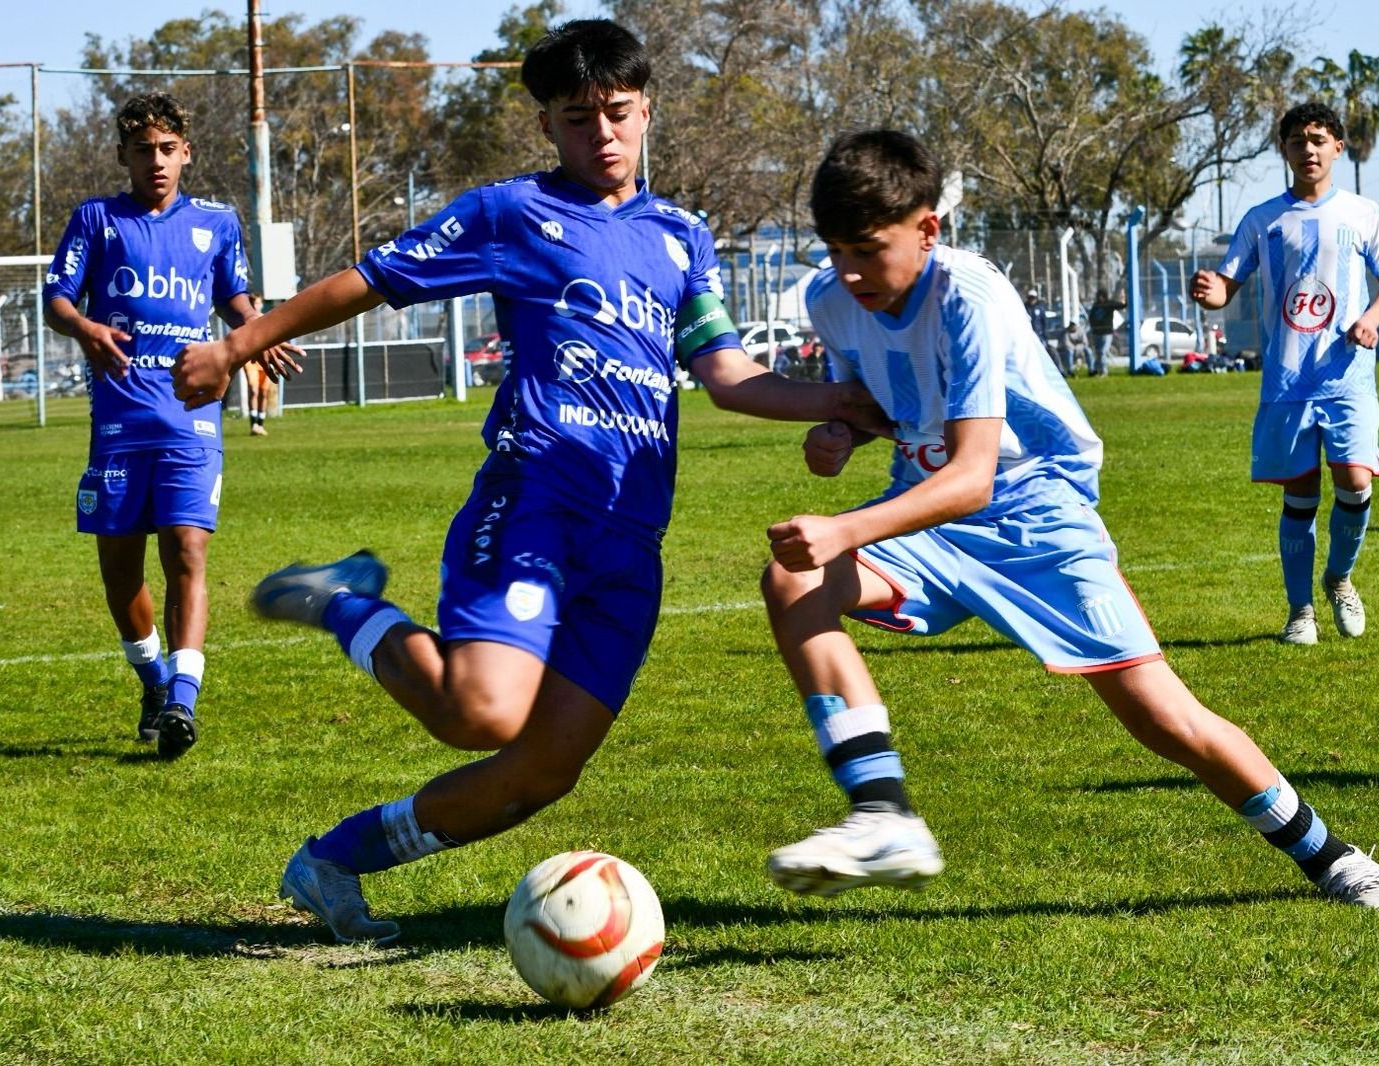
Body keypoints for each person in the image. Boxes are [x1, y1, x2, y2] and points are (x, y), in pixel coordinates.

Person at [172, 19, 882, 945]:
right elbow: (370, 281)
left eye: (618, 114)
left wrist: (841, 399)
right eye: (577, 118)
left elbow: (726, 374)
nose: (603, 135)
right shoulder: (511, 215)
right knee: (483, 712)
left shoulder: (682, 238)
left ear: (646, 110)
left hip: (631, 542)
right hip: (535, 503)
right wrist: (236, 344)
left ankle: (335, 862)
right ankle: (347, 605)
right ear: (546, 124)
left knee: (541, 771)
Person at [760, 128, 1379, 913]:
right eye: (835, 251)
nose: (850, 271)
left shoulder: (967, 292)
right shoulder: (833, 302)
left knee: (1163, 718)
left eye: (868, 249)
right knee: (795, 579)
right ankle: (881, 810)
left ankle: (1328, 854)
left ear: (927, 229)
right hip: (927, 522)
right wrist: (841, 432)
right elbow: (882, 404)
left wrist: (843, 528)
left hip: (1037, 513)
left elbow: (971, 476)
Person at [43, 93, 299, 759]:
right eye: (142, 150)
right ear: (123, 155)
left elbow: (235, 296)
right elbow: (56, 300)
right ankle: (153, 681)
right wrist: (85, 326)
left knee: (187, 551)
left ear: (185, 151)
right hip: (120, 424)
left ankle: (183, 700)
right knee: (119, 571)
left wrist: (257, 331)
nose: (155, 162)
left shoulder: (216, 223)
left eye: (167, 149)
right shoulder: (96, 220)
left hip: (192, 419)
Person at [1191, 101, 1379, 645]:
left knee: (1355, 481)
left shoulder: (1363, 213)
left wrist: (1372, 320)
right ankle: (1300, 612)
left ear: (1337, 146)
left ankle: (1340, 577)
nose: (1307, 149)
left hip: (1347, 375)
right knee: (1301, 491)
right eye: (1296, 141)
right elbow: (1225, 287)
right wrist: (1211, 291)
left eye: (1317, 139)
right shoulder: (1263, 220)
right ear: (1283, 149)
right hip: (1288, 382)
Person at [242, 293, 276, 435]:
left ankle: (260, 424)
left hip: (266, 359)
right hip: (251, 360)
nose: (257, 306)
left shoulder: (267, 320)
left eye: (259, 303)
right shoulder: (245, 322)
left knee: (264, 391)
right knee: (253, 389)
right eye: (254, 304)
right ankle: (253, 425)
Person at [1087, 287, 1125, 376]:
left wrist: (1123, 296)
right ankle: (1096, 370)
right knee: (1098, 353)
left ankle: (1104, 371)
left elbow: (1122, 306)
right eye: (1099, 296)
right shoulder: (1095, 306)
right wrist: (1093, 328)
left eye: (1102, 296)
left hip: (1106, 333)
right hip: (1097, 333)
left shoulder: (1109, 304)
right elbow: (1091, 317)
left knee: (1103, 352)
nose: (1100, 298)